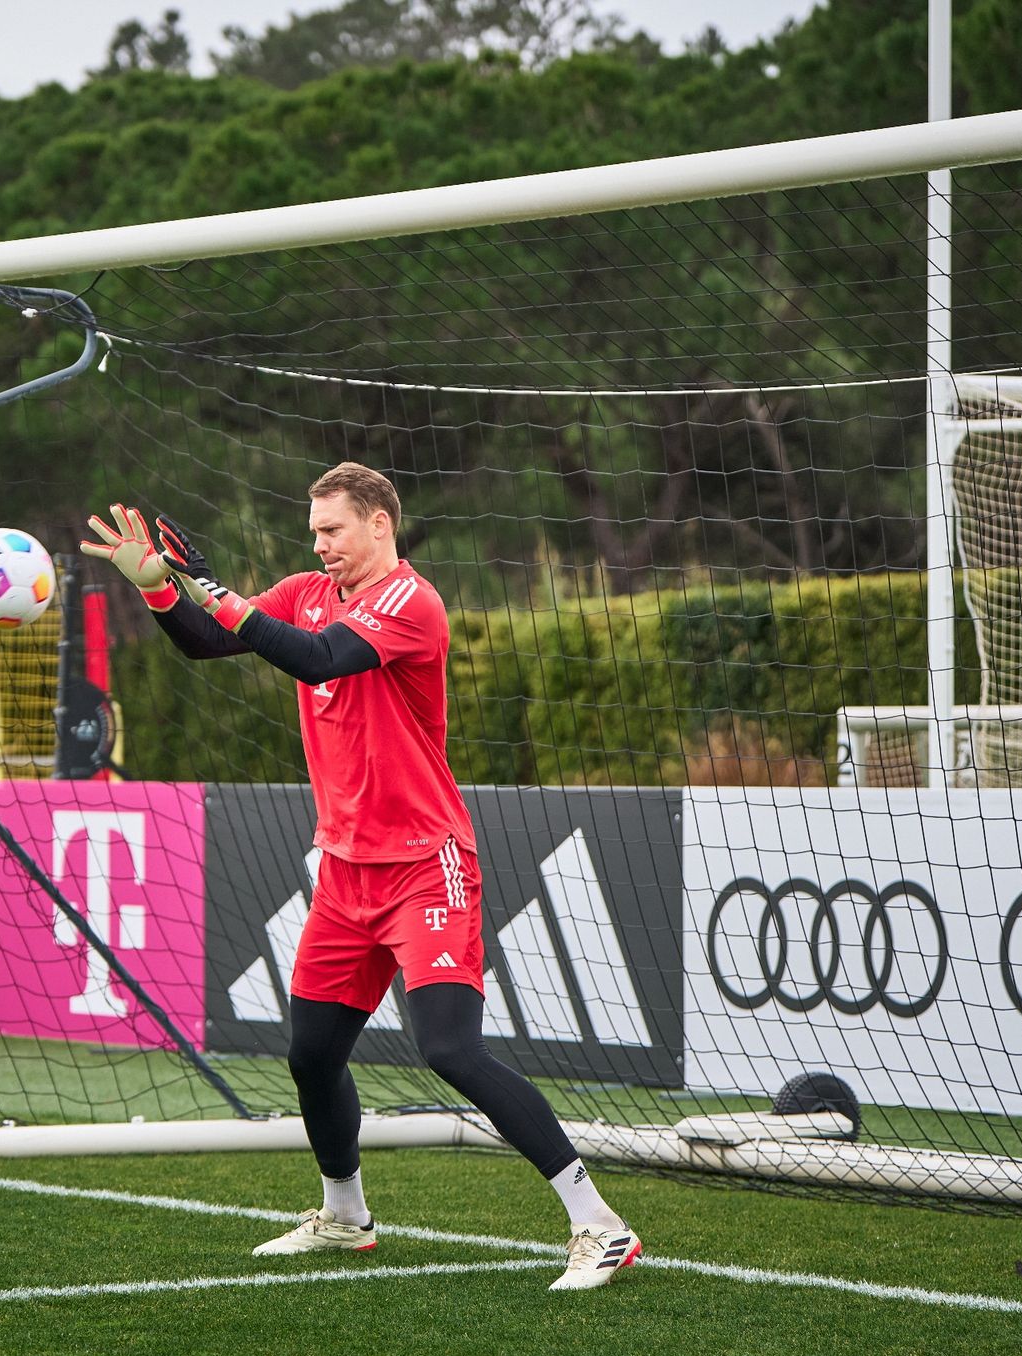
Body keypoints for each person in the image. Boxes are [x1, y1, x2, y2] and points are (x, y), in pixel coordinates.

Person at [80, 461, 639, 1292]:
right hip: (347, 874)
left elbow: (317, 660)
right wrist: (163, 593)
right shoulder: (307, 587)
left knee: (449, 1046)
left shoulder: (412, 602)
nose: (321, 546)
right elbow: (211, 641)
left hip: (426, 863)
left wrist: (209, 583)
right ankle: (345, 1216)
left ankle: (600, 1224)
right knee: (312, 1054)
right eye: (315, 533)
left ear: (380, 523)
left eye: (333, 530)